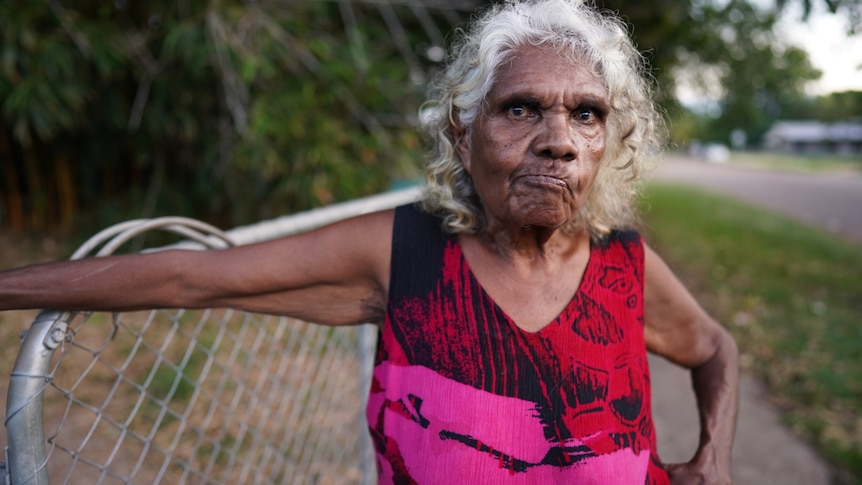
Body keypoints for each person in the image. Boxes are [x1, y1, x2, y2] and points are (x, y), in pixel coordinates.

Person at [0, 0, 738, 483]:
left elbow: (713, 348)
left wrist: (713, 456)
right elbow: (194, 277)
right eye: (521, 109)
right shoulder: (408, 254)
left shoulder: (623, 263)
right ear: (462, 128)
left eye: (587, 115)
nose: (560, 143)